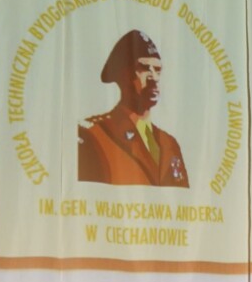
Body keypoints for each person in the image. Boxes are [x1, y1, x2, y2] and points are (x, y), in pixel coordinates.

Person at [78, 30, 189, 187]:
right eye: (144, 68)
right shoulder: (94, 134)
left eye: (158, 70)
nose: (154, 78)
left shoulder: (169, 144)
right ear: (122, 74)